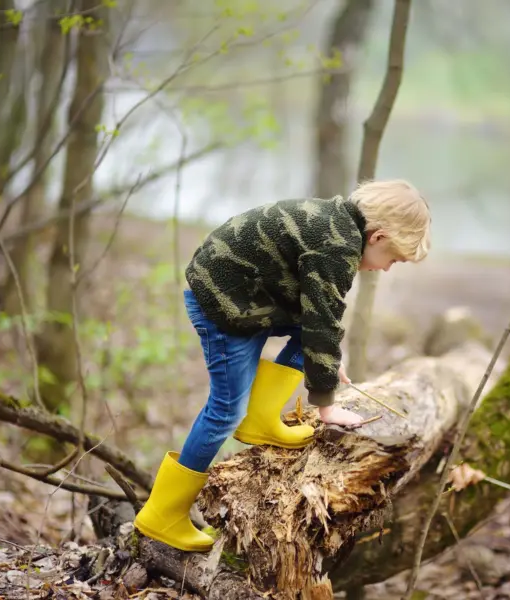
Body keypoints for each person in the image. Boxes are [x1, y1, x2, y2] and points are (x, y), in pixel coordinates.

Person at [133, 179, 431, 552]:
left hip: (250, 295)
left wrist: (324, 358)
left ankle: (259, 419)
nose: (388, 269)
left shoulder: (338, 224)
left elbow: (320, 322)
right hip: (225, 303)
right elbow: (321, 321)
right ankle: (161, 514)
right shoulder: (336, 247)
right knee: (225, 410)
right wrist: (327, 405)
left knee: (318, 339)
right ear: (378, 237)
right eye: (394, 259)